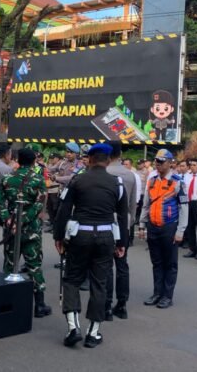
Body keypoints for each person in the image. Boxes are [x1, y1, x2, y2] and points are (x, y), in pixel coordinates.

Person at [54, 144, 129, 348]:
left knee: (71, 279)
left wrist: (58, 236)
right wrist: (123, 242)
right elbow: (123, 216)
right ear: (107, 160)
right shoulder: (117, 183)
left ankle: (73, 327)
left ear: (90, 159)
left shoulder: (77, 180)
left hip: (80, 235)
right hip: (106, 236)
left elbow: (63, 209)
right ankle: (93, 332)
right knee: (99, 283)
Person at [0, 148, 52, 319]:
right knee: (34, 265)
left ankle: (6, 302)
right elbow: (38, 204)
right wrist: (24, 220)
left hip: (11, 228)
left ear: (18, 160)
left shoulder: (7, 178)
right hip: (31, 229)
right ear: (34, 161)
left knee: (9, 264)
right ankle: (39, 305)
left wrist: (8, 220)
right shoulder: (37, 179)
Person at [138, 149, 188, 307]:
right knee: (157, 262)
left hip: (169, 227)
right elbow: (146, 204)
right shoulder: (151, 180)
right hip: (153, 226)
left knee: (170, 263)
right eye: (156, 161)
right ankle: (157, 293)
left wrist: (180, 230)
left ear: (170, 163)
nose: (158, 164)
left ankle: (167, 295)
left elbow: (184, 208)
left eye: (161, 161)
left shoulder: (178, 181)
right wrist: (141, 224)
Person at [104, 141, 136, 320]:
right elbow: (132, 206)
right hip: (124, 224)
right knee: (122, 265)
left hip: (106, 224)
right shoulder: (130, 175)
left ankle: (106, 306)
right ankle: (122, 305)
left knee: (106, 265)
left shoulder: (104, 173)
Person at [183, 159, 197, 259]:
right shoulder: (187, 176)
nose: (192, 167)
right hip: (188, 202)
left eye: (194, 165)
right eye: (191, 165)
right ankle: (192, 249)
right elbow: (183, 190)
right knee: (190, 227)